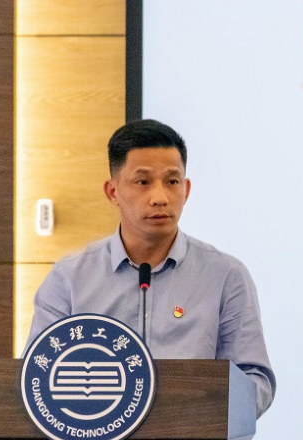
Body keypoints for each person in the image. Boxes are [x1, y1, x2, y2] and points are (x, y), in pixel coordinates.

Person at [24, 119, 276, 417]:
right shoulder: (69, 278)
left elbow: (255, 383)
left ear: (187, 190)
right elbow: (36, 377)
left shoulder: (225, 276)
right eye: (143, 182)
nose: (160, 198)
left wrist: (195, 409)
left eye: (172, 182)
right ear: (112, 192)